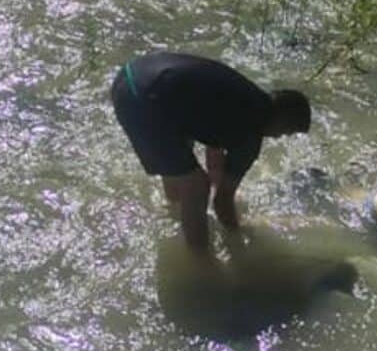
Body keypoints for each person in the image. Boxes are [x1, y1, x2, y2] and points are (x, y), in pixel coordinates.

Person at [111, 52, 311, 258]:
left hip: (131, 77)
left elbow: (214, 158)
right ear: (282, 121)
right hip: (144, 100)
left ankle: (175, 211)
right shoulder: (251, 135)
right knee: (197, 185)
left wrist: (223, 192)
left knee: (182, 164)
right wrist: (240, 237)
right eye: (285, 132)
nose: (278, 137)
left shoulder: (247, 96)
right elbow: (222, 204)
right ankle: (201, 261)